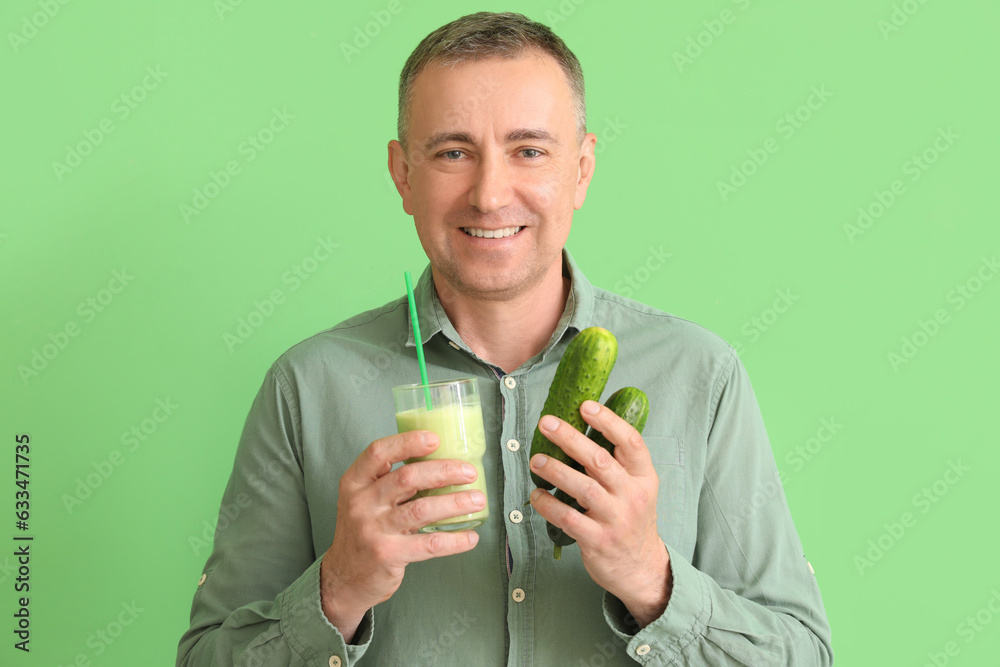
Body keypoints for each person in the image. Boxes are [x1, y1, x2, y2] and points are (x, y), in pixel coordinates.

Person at [177, 11, 833, 666]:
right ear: (403, 174)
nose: (490, 195)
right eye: (453, 152)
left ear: (581, 168)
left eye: (529, 151)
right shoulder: (307, 385)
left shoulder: (700, 374)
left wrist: (651, 578)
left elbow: (805, 656)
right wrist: (339, 586)